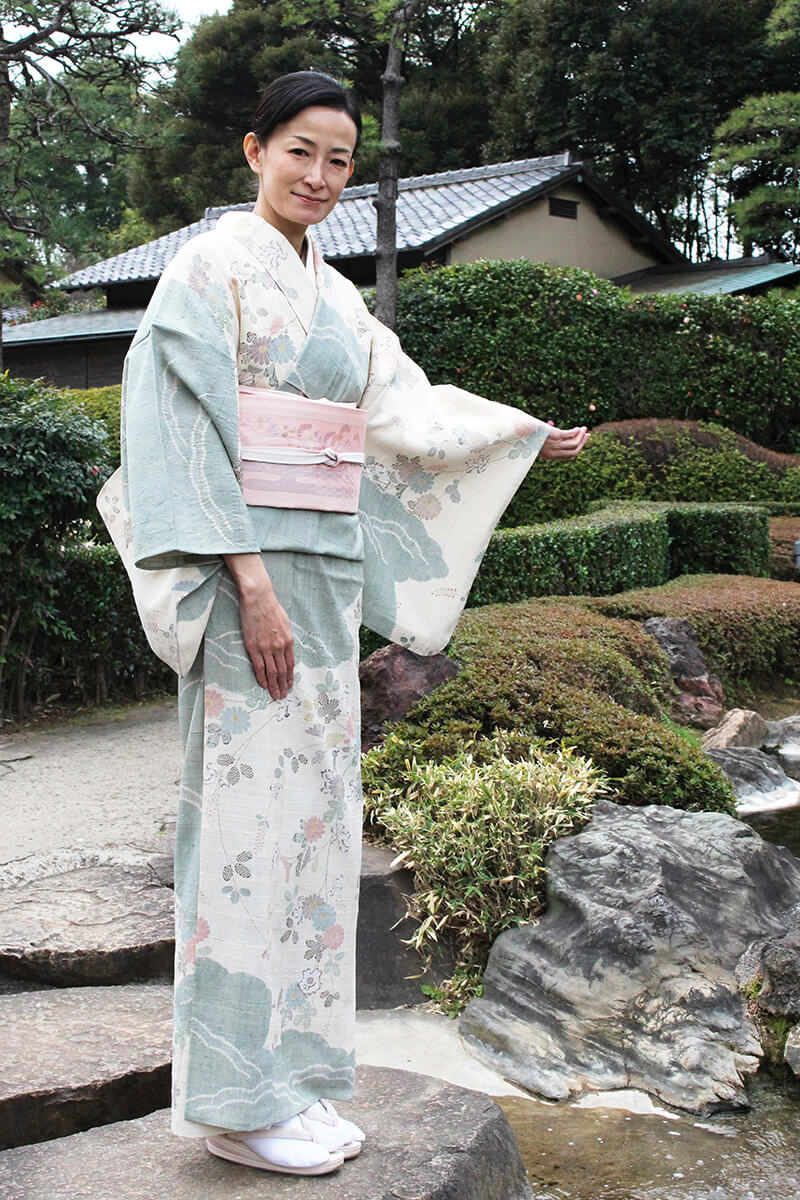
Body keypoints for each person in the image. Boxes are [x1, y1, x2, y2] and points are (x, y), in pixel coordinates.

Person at [98, 70, 588, 1178]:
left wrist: (515, 431)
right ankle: (230, 1096)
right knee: (240, 834)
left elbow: (397, 409)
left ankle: (295, 1079)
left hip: (316, 582)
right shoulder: (210, 268)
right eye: (299, 153)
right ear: (253, 150)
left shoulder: (334, 293)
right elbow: (173, 427)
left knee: (311, 828)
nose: (318, 177)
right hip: (245, 586)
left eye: (337, 160)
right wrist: (250, 581)